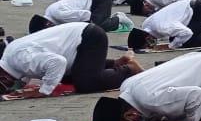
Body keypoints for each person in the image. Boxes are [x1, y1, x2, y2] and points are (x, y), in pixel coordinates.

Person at [0, 22, 139, 96]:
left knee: (86, 84)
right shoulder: (12, 59)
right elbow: (29, 72)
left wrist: (43, 91)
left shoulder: (21, 60)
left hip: (90, 37)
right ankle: (116, 63)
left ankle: (128, 69)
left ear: (4, 78)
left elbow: (57, 62)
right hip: (80, 42)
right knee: (64, 78)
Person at [130, 0, 201, 50]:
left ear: (148, 38)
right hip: (191, 8)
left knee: (187, 42)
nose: (150, 46)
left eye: (147, 45)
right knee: (175, 40)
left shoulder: (162, 27)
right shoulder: (146, 25)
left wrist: (169, 47)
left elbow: (187, 33)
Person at [35, 0, 120, 32]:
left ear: (48, 24)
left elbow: (87, 15)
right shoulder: (49, 12)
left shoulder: (60, 15)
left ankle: (119, 18)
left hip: (100, 0)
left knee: (97, 28)